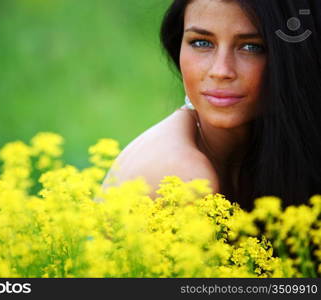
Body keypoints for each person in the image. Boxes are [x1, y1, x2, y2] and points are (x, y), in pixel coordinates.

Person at [102, 0, 321, 211]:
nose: (221, 70)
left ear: (295, 57)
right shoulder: (181, 176)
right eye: (201, 43)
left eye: (251, 47)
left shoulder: (282, 153)